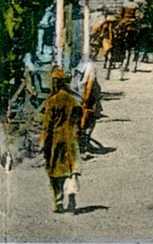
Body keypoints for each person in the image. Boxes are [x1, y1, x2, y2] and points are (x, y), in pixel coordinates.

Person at [40, 68, 79, 214]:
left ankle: (58, 201)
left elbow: (47, 125)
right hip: (71, 139)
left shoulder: (53, 101)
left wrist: (44, 143)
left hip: (57, 140)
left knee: (54, 172)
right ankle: (71, 198)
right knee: (71, 171)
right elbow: (78, 121)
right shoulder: (72, 99)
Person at [72, 57, 101, 155]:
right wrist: (85, 101)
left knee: (82, 122)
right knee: (88, 122)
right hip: (88, 100)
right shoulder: (90, 67)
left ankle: (82, 144)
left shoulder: (77, 69)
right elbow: (89, 86)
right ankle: (83, 144)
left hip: (79, 97)